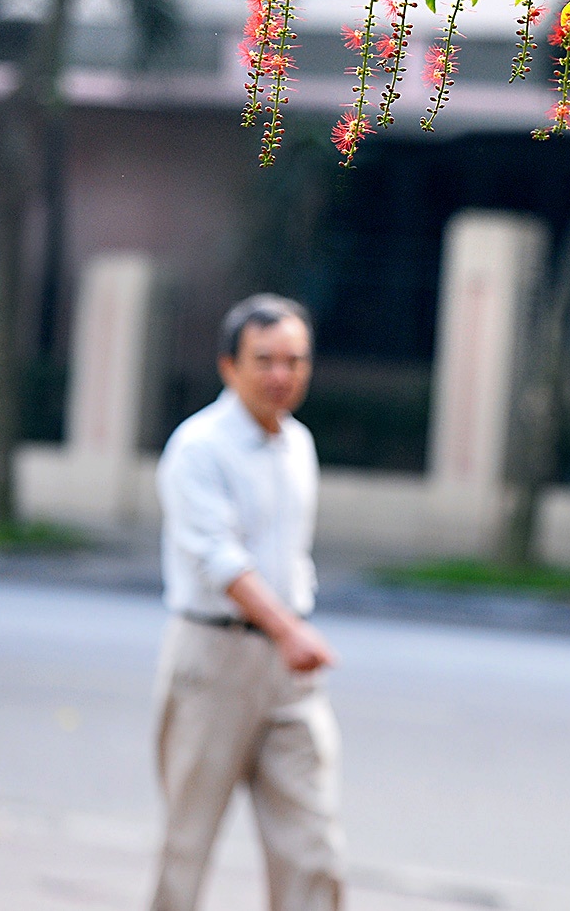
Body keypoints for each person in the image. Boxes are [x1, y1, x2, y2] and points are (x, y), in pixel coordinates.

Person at [148, 293, 343, 911]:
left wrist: (292, 628)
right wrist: (289, 631)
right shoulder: (199, 447)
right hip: (214, 658)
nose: (281, 375)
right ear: (229, 367)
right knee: (189, 842)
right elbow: (219, 559)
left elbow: (289, 553)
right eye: (265, 360)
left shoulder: (298, 444)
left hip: (288, 673)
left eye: (294, 360)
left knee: (312, 844)